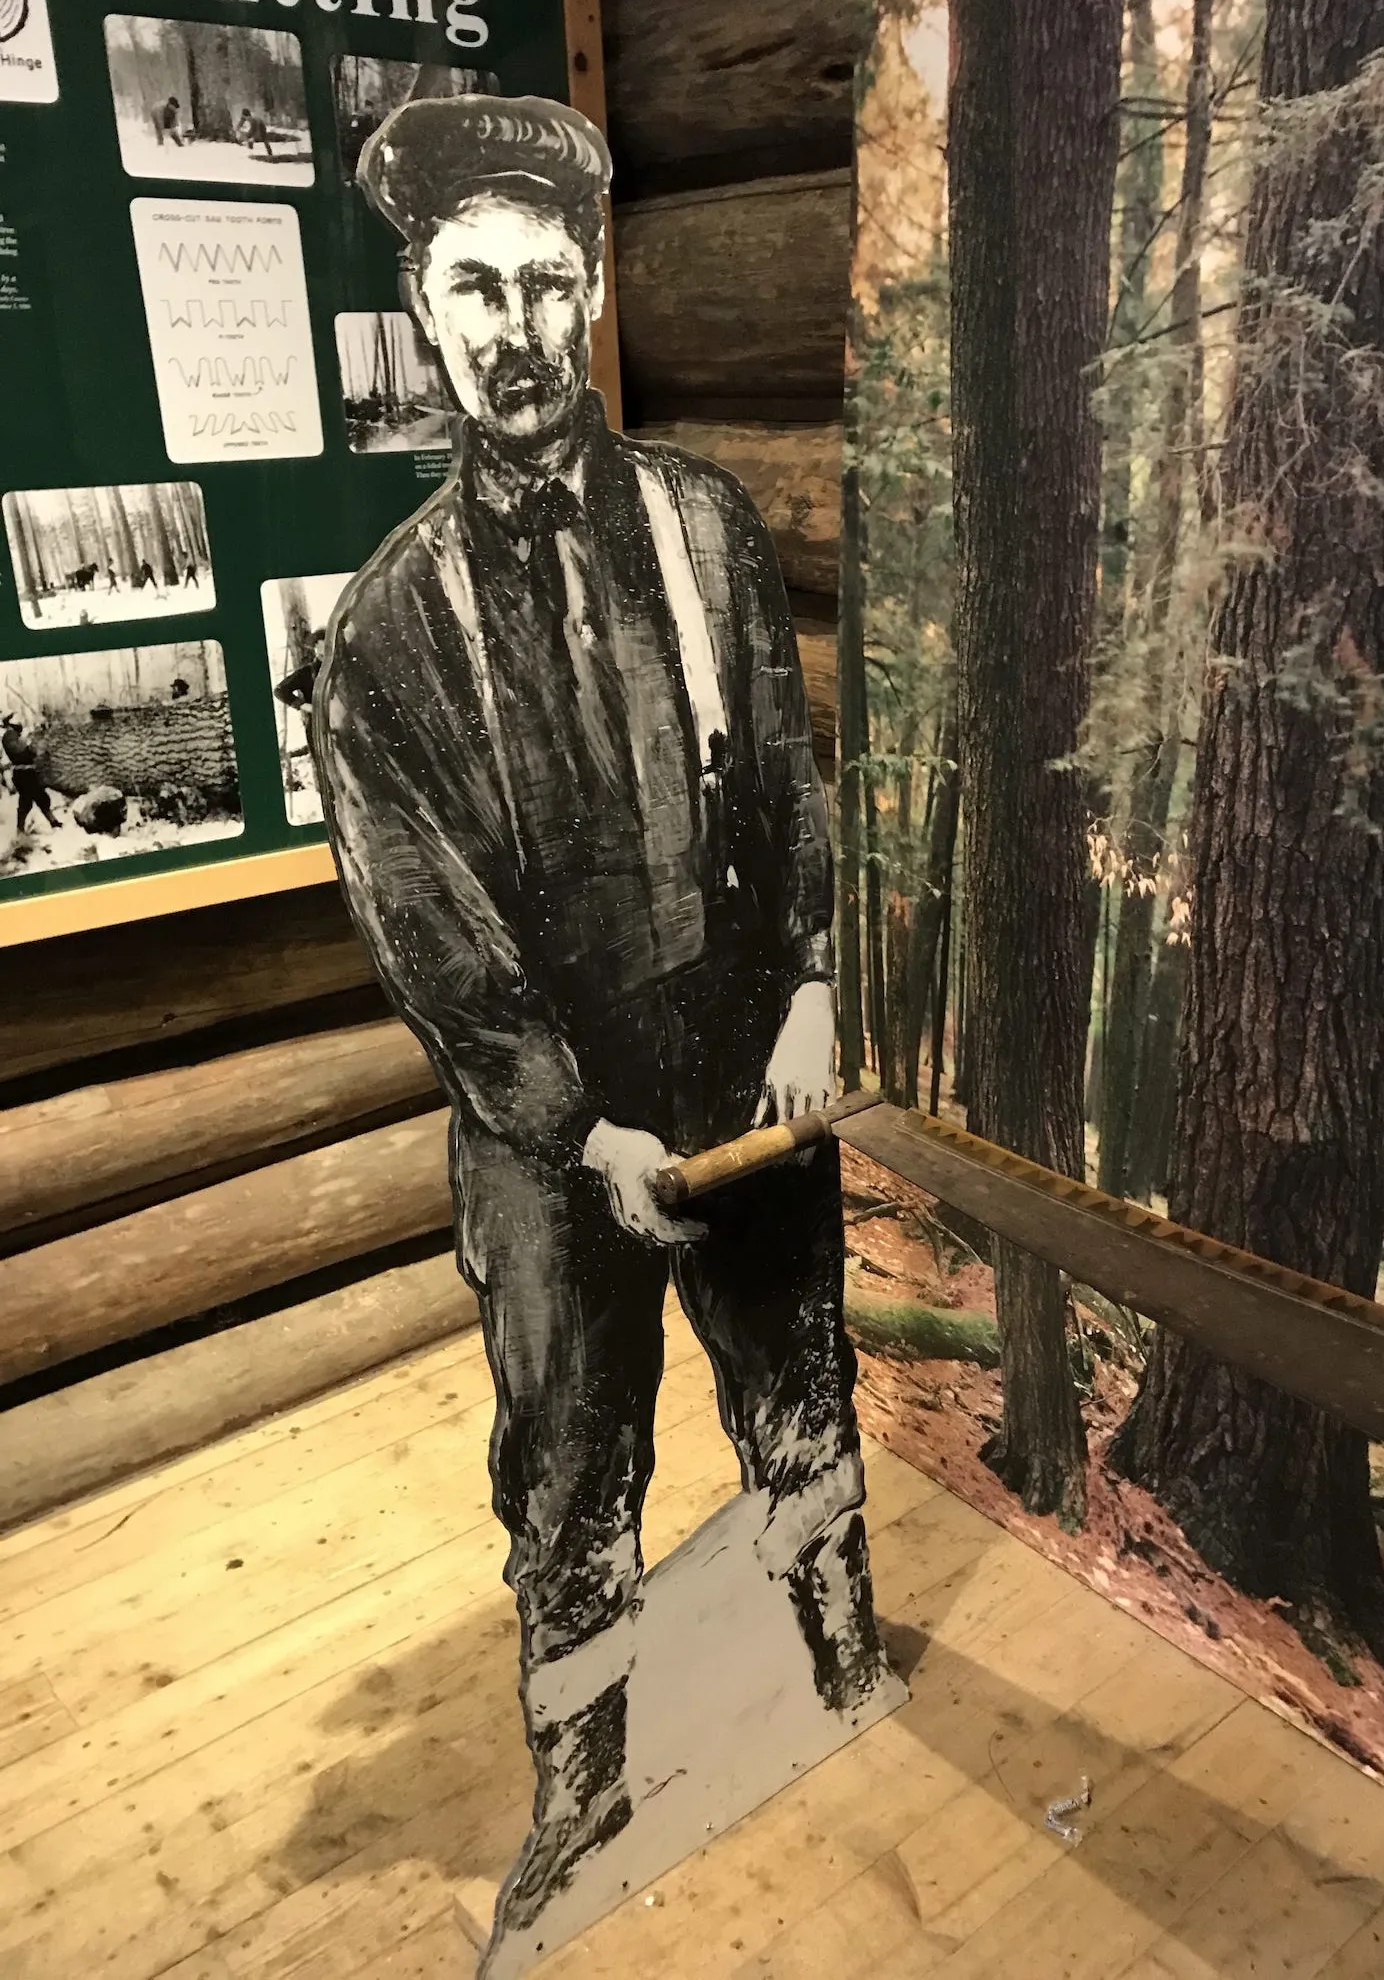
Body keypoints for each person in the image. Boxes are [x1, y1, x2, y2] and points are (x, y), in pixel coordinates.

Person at [313, 95, 892, 1943]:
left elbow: (795, 785)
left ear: (591, 293)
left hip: (744, 1075)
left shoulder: (707, 523)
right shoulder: (385, 632)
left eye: (542, 282)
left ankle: (839, 1649)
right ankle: (587, 1782)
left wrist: (811, 978)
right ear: (421, 299)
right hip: (550, 1144)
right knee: (568, 1467)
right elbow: (431, 931)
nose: (506, 322)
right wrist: (575, 1126)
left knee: (799, 1395)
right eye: (468, 283)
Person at [1, 713, 60, 833]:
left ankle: (52, 822)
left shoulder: (13, 735)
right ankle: (21, 830)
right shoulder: (9, 736)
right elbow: (19, 752)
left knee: (39, 798)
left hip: (28, 772)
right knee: (27, 802)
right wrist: (33, 746)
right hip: (23, 773)